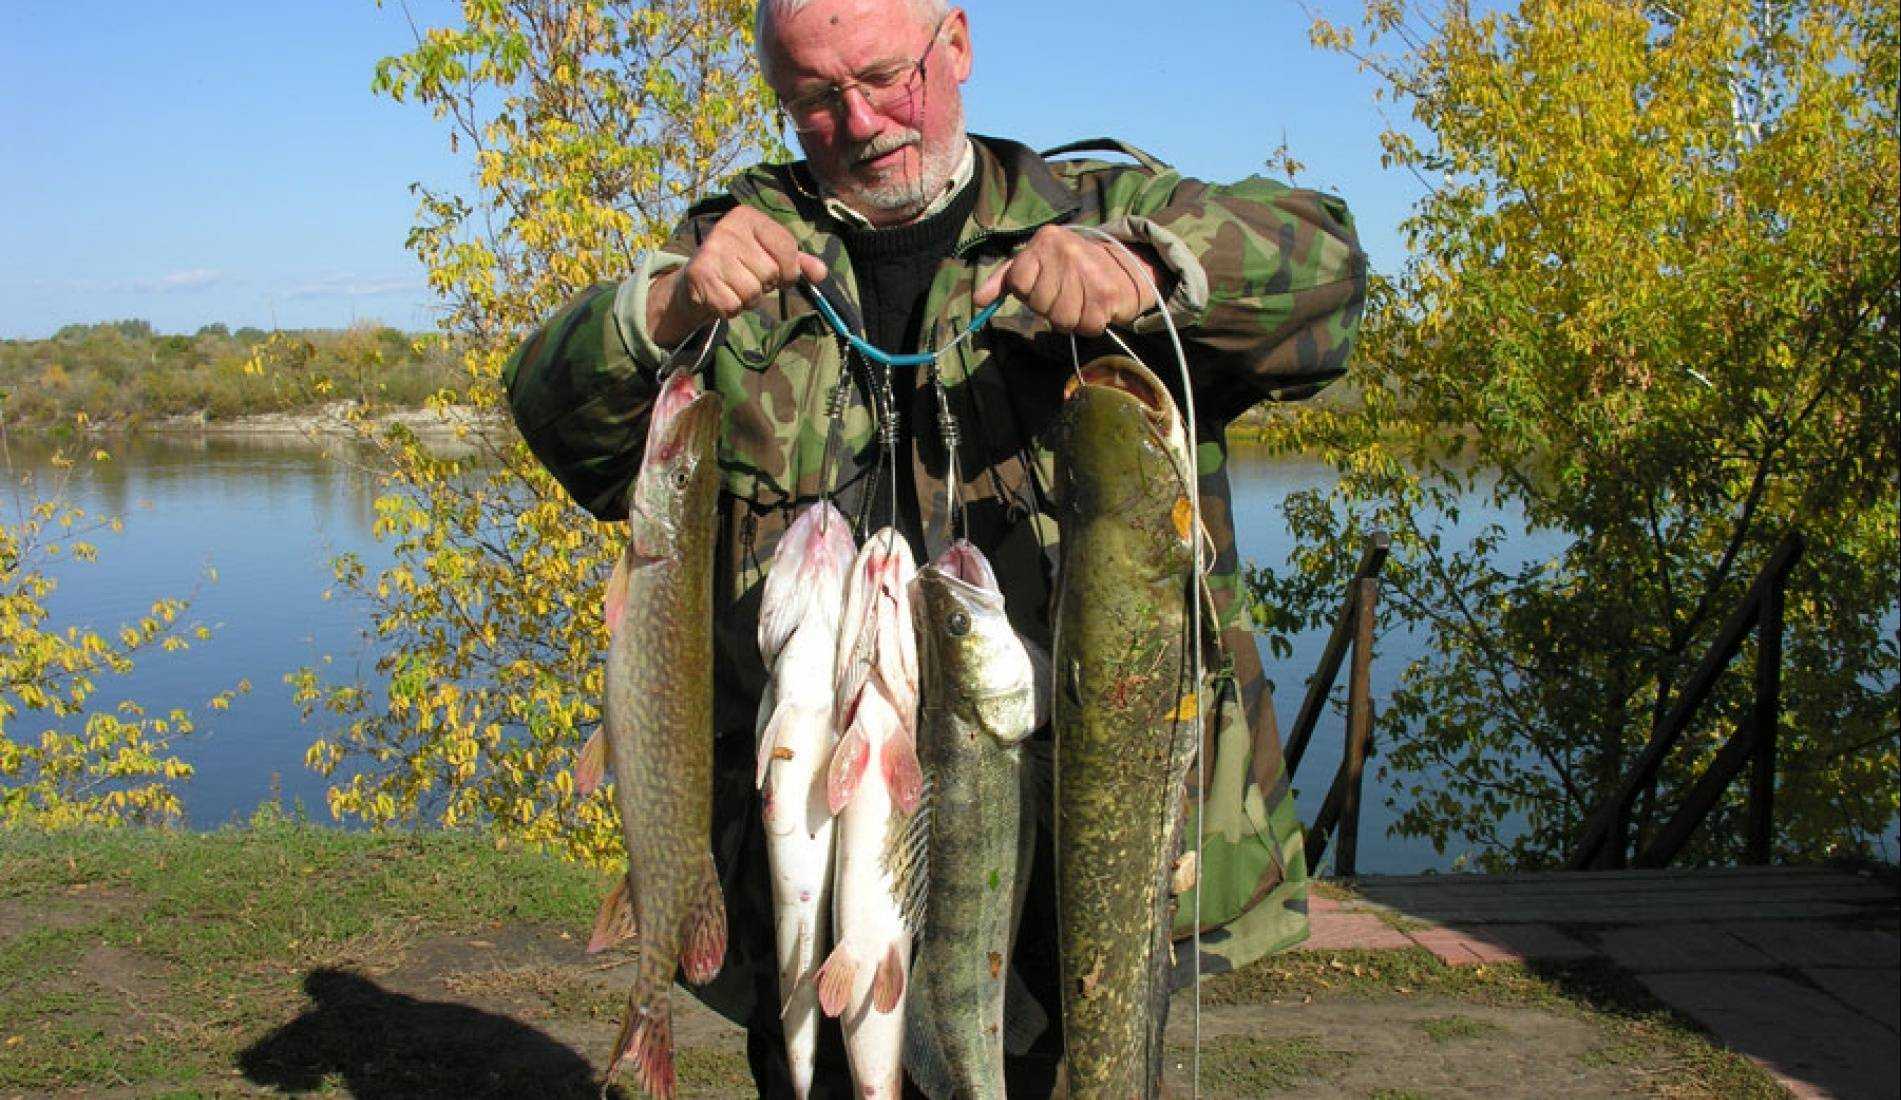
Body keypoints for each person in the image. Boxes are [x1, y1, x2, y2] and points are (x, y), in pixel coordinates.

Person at [503, 0, 1367, 1094]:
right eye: (812, 98)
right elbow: (548, 412)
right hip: (816, 866)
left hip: (1068, 861)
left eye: (882, 77)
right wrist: (663, 305)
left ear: (953, 44)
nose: (858, 121)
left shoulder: (1094, 208)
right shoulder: (736, 246)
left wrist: (1148, 266)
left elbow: (1331, 273)